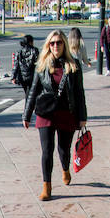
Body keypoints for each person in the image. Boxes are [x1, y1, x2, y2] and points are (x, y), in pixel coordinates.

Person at [22, 29, 88, 201]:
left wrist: (82, 116)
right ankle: (47, 187)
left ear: (64, 44)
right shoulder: (42, 64)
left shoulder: (73, 65)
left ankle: (65, 169)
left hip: (67, 113)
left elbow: (79, 92)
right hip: (46, 113)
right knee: (47, 151)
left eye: (59, 42)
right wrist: (26, 114)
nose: (56, 46)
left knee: (64, 149)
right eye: (52, 43)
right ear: (48, 45)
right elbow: (33, 90)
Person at [11, 34, 40, 107]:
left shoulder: (19, 52)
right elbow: (39, 63)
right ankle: (28, 108)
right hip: (32, 76)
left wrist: (13, 77)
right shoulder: (34, 50)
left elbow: (16, 65)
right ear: (30, 42)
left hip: (22, 77)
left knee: (27, 92)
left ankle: (28, 107)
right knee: (31, 92)